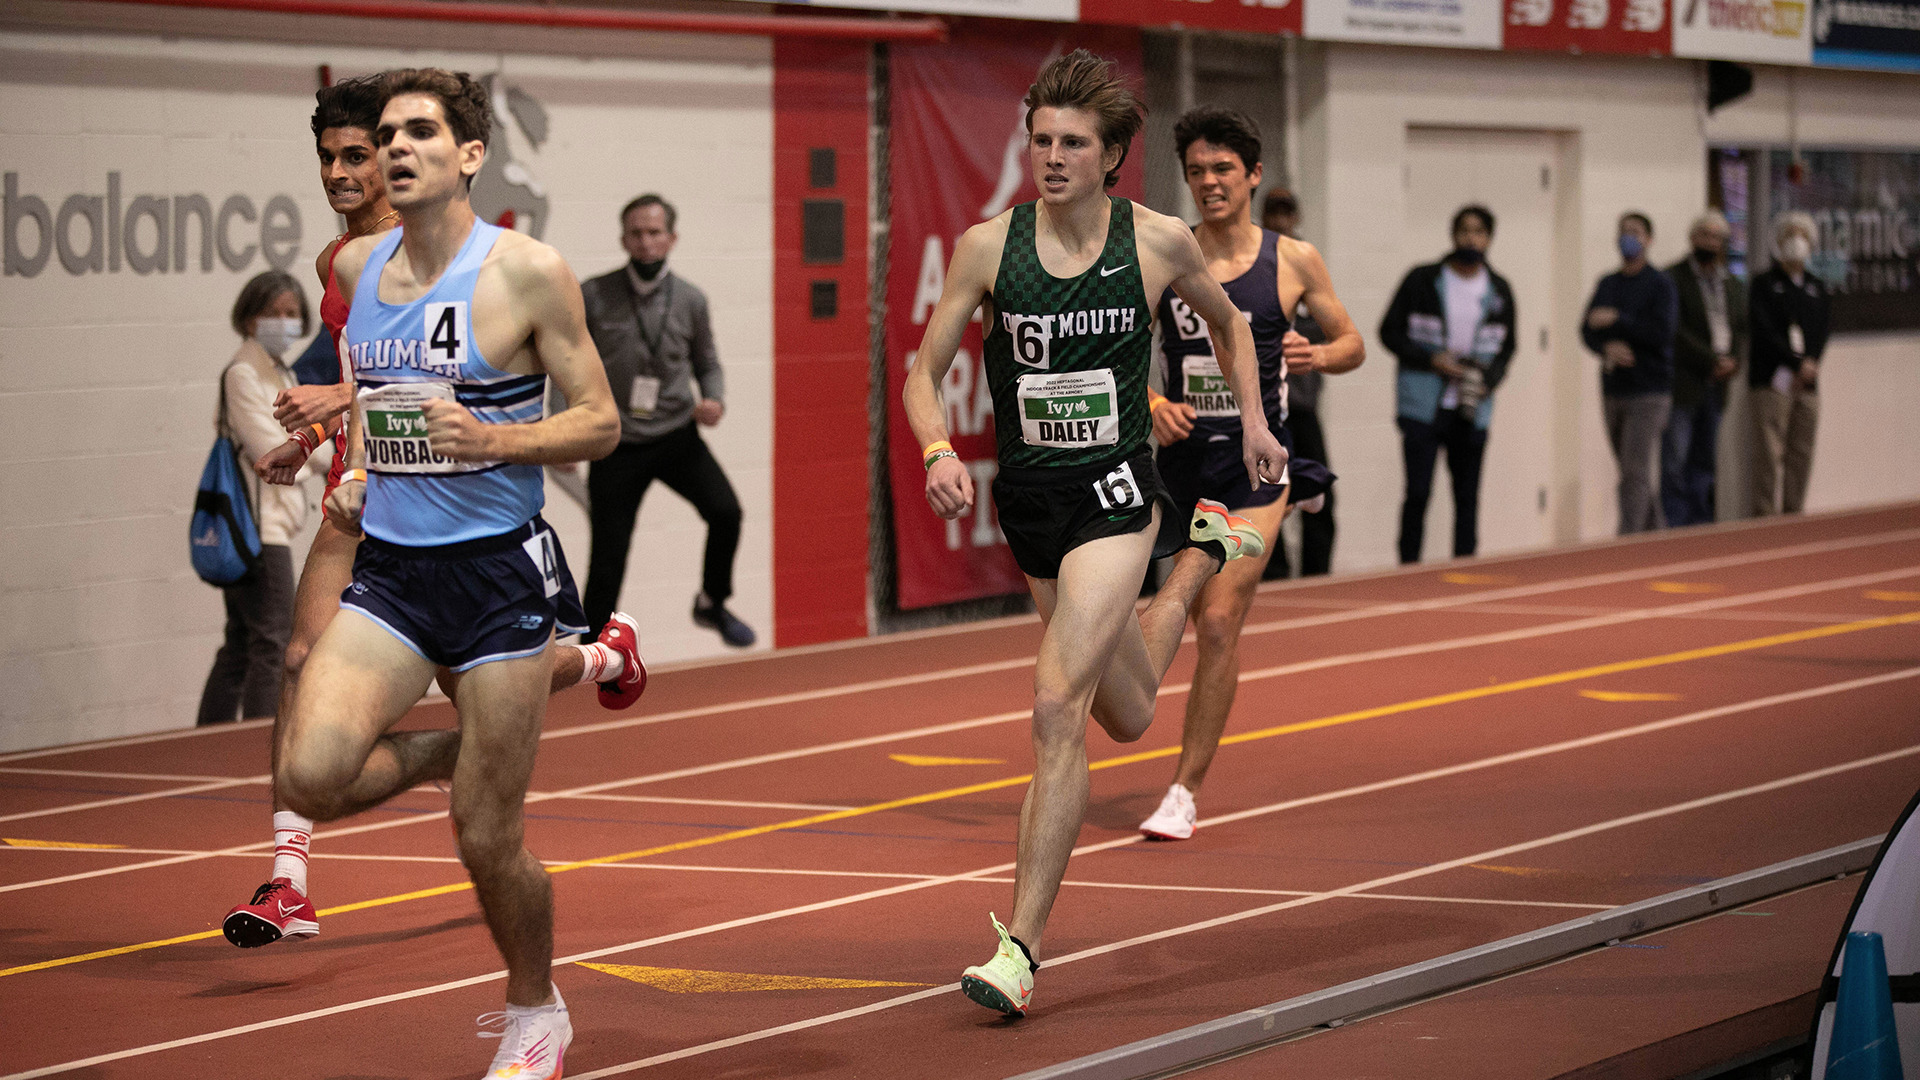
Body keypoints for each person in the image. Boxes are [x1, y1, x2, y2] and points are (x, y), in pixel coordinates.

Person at [224, 74, 645, 956]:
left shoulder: (526, 271)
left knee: (485, 837)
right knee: (309, 758)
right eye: (382, 137)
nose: (388, 153)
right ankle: (455, 761)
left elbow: (602, 421)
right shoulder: (348, 266)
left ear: (470, 154)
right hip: (389, 557)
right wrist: (345, 457)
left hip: (495, 565)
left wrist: (491, 440)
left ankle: (535, 1009)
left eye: (415, 132)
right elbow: (383, 386)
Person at [902, 50, 1284, 1017]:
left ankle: (1020, 947)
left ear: (1113, 154)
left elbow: (1233, 325)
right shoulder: (991, 246)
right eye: (1041, 140)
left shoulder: (1155, 241)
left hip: (1117, 492)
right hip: (1032, 500)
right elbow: (920, 367)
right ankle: (1199, 558)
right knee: (1128, 712)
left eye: (1074, 143)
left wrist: (1257, 422)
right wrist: (939, 447)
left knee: (1054, 703)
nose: (1054, 156)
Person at [1137, 108, 1362, 842]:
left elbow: (1352, 340)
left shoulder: (1293, 259)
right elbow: (1113, 351)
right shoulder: (1166, 253)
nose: (1208, 183)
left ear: (1253, 176)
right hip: (1180, 466)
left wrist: (1317, 356)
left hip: (1261, 465)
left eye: (1222, 170)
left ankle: (1183, 791)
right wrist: (1153, 401)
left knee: (1220, 615)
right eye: (1196, 171)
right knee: (1152, 616)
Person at [578, 194, 754, 648]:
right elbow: (567, 363)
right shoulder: (593, 295)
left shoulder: (691, 299)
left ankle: (712, 602)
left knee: (726, 512)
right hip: (617, 441)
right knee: (608, 556)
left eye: (655, 232)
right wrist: (567, 427)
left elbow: (708, 363)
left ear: (672, 238)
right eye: (636, 232)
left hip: (677, 434)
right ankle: (592, 650)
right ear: (623, 239)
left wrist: (714, 398)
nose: (646, 241)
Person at [197, 271, 316, 728]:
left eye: (292, 314)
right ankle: (259, 742)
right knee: (273, 639)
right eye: (273, 313)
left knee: (242, 641)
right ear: (249, 318)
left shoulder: (280, 369)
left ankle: (211, 738)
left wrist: (312, 444)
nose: (284, 322)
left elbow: (304, 438)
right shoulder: (243, 373)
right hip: (255, 524)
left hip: (274, 521)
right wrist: (322, 449)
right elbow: (277, 449)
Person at [1379, 206, 1518, 563]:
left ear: (1489, 238)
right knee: (1418, 492)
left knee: (1467, 495)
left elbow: (1508, 347)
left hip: (1471, 406)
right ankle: (1408, 568)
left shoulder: (1499, 289)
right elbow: (1388, 332)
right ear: (1452, 234)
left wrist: (1489, 380)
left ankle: (1465, 566)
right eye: (1464, 230)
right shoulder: (1422, 280)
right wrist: (1430, 360)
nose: (1470, 237)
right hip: (1422, 404)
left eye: (1479, 231)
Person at [1582, 212, 1679, 535]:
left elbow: (1661, 332)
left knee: (1635, 471)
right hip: (1613, 388)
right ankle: (1656, 533)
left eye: (1635, 232)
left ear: (1649, 240)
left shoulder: (1660, 284)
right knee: (1629, 469)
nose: (1628, 237)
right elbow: (1588, 327)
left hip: (1650, 391)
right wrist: (1604, 348)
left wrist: (1619, 319)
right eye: (1623, 231)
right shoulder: (1607, 284)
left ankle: (1628, 541)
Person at [1260, 187, 1336, 579]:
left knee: (1318, 491)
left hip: (1303, 406)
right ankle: (1273, 574)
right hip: (1267, 408)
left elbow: (1330, 329)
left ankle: (1317, 576)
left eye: (1287, 213)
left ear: (1297, 215)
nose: (1280, 220)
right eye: (1273, 213)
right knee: (1269, 496)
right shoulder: (1255, 262)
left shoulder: (1308, 264)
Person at [1662, 211, 1747, 527]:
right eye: (1704, 235)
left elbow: (1739, 329)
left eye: (1716, 238)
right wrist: (1711, 360)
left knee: (1705, 460)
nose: (1709, 242)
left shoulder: (1733, 285)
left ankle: (1700, 523)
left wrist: (1732, 361)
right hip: (1684, 384)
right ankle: (1675, 524)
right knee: (1675, 460)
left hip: (1718, 385)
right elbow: (1675, 329)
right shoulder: (1672, 279)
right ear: (1692, 238)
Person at [1747, 211, 1829, 517]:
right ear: (1778, 241)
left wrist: (1810, 364)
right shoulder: (1764, 284)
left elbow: (1821, 331)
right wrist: (1794, 363)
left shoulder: (1817, 287)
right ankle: (1765, 518)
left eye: (1802, 235)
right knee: (1768, 453)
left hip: (1807, 383)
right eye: (1790, 234)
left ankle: (1794, 515)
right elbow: (1765, 330)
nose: (1797, 241)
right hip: (1772, 380)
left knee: (1801, 452)